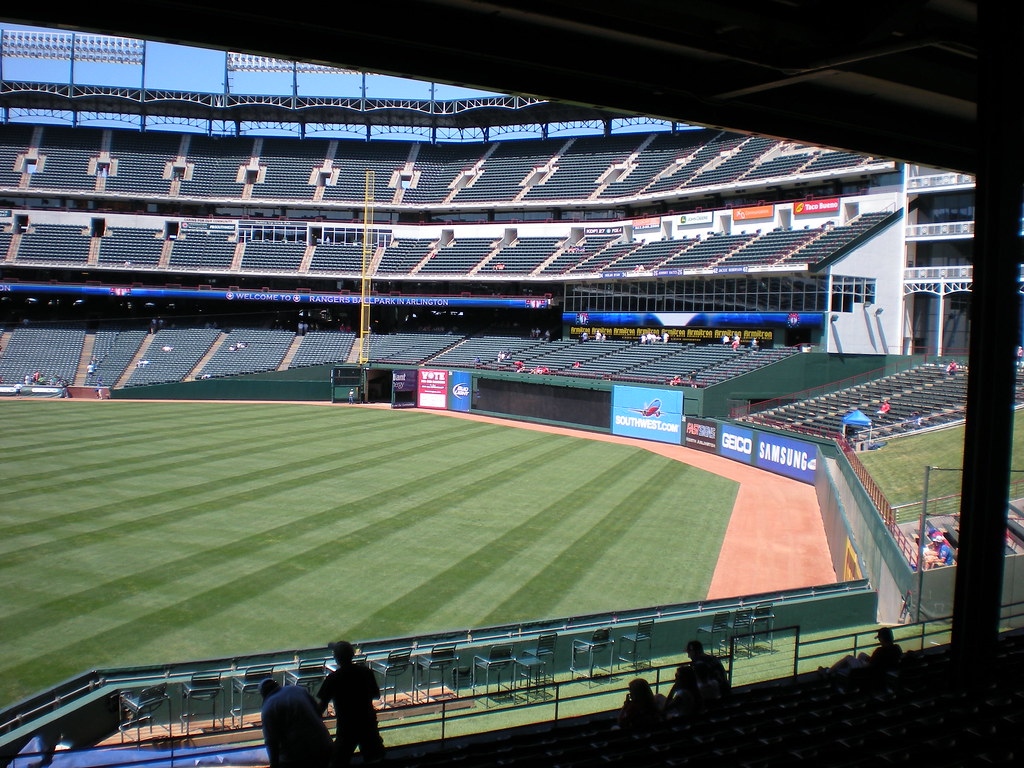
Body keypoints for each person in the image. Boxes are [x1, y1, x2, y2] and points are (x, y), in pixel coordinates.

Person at [317, 641, 385, 767]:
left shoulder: (333, 678)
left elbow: (321, 706)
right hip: (367, 723)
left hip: (347, 727)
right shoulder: (366, 672)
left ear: (337, 658)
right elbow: (376, 695)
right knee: (375, 759)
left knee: (338, 762)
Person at [260, 678, 333, 768]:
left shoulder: (268, 707)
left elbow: (271, 741)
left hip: (299, 757)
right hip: (325, 746)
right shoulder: (298, 689)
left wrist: (274, 764)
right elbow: (317, 712)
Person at [826, 626, 903, 677]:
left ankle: (829, 671)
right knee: (861, 655)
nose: (879, 640)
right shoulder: (897, 648)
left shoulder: (880, 651)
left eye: (880, 638)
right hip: (883, 670)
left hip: (867, 672)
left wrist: (863, 663)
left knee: (849, 657)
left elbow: (870, 666)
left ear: (882, 639)